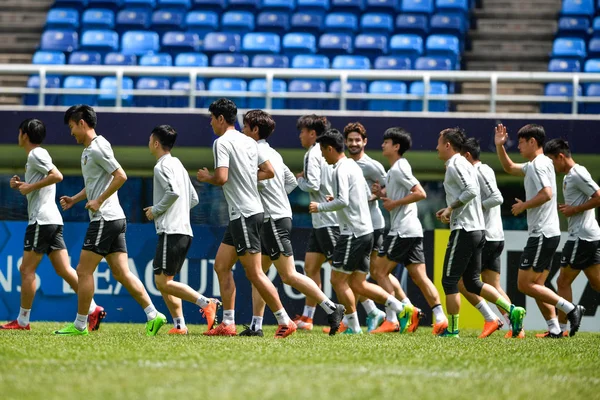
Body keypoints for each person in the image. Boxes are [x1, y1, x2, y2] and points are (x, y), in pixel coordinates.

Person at [54, 105, 166, 336]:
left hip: (105, 219)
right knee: (122, 273)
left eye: (72, 127)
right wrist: (75, 199)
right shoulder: (89, 151)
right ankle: (154, 315)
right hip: (114, 219)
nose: (71, 132)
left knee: (83, 271)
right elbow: (97, 183)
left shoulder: (98, 147)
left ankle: (80, 325)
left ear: (82, 123)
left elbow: (120, 175)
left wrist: (99, 201)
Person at [237, 110, 345, 337]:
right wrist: (275, 196)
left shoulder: (253, 151)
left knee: (287, 275)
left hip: (273, 219)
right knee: (259, 273)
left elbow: (274, 179)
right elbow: (289, 180)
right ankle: (256, 325)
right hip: (275, 216)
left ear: (255, 130)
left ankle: (332, 308)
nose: (242, 131)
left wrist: (262, 194)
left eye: (245, 127)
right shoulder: (273, 152)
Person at [197, 98, 296, 339]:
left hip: (244, 213)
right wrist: (244, 176)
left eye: (212, 118)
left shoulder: (221, 142)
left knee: (254, 273)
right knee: (221, 265)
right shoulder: (248, 141)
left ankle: (285, 320)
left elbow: (221, 178)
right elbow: (269, 171)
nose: (210, 123)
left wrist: (206, 177)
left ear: (221, 119)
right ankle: (228, 323)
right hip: (244, 213)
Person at [0, 118, 104, 332]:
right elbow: (42, 183)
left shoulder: (36, 153)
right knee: (64, 269)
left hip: (42, 220)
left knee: (26, 269)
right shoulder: (37, 156)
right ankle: (93, 309)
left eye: (19, 132)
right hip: (52, 220)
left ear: (24, 135)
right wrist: (21, 185)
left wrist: (30, 187)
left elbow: (57, 175)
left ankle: (21, 321)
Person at [309, 129, 414, 335]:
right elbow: (364, 195)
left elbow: (344, 201)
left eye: (322, 151)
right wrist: (339, 200)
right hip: (366, 232)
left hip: (353, 233)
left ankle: (354, 327)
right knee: (358, 283)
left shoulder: (340, 168)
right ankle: (403, 309)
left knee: (337, 280)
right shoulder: (352, 165)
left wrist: (320, 206)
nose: (321, 155)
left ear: (330, 149)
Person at [495, 124, 584, 338]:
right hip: (547, 232)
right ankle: (554, 328)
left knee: (525, 285)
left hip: (542, 233)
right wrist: (500, 146)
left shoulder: (539, 165)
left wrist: (524, 205)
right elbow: (510, 168)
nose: (518, 146)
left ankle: (571, 309)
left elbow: (547, 193)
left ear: (533, 141)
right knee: (537, 284)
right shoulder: (535, 164)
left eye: (521, 142)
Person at [436, 127, 526, 338]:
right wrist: (450, 207)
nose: (436, 147)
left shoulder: (455, 165)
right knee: (473, 282)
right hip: (478, 230)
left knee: (449, 281)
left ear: (448, 145)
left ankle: (453, 330)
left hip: (465, 229)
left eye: (439, 143)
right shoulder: (466, 164)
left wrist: (451, 208)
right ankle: (512, 311)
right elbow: (471, 194)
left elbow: (472, 191)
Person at [145, 124, 221, 335]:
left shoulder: (161, 166)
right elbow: (193, 198)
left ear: (156, 143)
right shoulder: (178, 164)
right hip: (182, 230)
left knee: (162, 281)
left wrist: (156, 210)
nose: (148, 143)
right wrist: (177, 211)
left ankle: (206, 303)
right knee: (164, 282)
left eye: (150, 139)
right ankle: (179, 325)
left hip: (172, 230)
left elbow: (174, 192)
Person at [370, 127, 447, 334]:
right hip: (413, 230)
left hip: (402, 230)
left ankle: (393, 318)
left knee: (378, 271)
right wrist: (381, 194)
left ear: (396, 146)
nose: (383, 144)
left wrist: (394, 203)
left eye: (387, 142)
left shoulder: (399, 168)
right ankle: (440, 318)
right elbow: (398, 191)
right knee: (419, 276)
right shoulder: (396, 168)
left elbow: (419, 193)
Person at [342, 122, 406, 333]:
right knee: (360, 276)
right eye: (350, 140)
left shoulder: (372, 166)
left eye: (357, 140)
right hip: (355, 227)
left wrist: (376, 195)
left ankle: (394, 315)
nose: (353, 143)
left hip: (373, 226)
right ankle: (380, 313)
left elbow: (390, 189)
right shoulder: (343, 165)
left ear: (365, 142)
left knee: (375, 274)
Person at [458, 137, 513, 339]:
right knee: (494, 286)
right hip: (494, 235)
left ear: (467, 156)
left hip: (487, 236)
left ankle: (490, 318)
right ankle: (516, 326)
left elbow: (497, 197)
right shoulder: (484, 170)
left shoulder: (480, 171)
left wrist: (475, 207)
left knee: (462, 282)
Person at [544, 139, 596, 337]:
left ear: (561, 156)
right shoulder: (569, 176)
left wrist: (574, 209)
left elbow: (599, 195)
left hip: (580, 237)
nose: (551, 166)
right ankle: (562, 328)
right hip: (589, 236)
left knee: (562, 281)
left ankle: (562, 330)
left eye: (552, 161)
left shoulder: (577, 173)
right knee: (596, 284)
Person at [294, 115, 340, 330]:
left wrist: (298, 180)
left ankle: (355, 317)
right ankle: (308, 317)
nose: (300, 135)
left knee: (339, 274)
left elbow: (312, 182)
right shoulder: (323, 152)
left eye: (302, 131)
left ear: (313, 133)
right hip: (320, 220)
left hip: (329, 220)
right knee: (311, 268)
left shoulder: (313, 152)